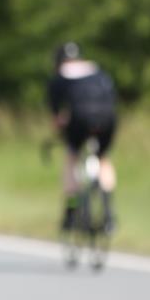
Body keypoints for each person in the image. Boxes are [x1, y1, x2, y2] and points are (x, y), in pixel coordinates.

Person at [47, 42, 118, 233]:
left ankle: (70, 211)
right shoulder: (98, 71)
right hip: (108, 118)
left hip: (79, 118)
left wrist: (61, 128)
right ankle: (109, 214)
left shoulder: (60, 77)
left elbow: (57, 117)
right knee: (103, 159)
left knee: (71, 158)